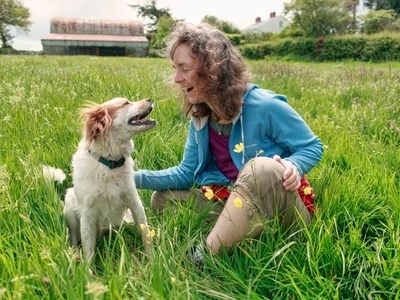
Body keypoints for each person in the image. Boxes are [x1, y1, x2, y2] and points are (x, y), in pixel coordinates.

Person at [134, 21, 324, 267]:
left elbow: (312, 146)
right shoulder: (202, 117)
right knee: (163, 199)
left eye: (184, 68)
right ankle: (242, 236)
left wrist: (293, 166)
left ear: (213, 69)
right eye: (175, 68)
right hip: (233, 198)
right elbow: (186, 173)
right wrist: (129, 176)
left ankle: (204, 257)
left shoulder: (264, 105)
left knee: (261, 168)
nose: (177, 78)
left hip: (284, 211)